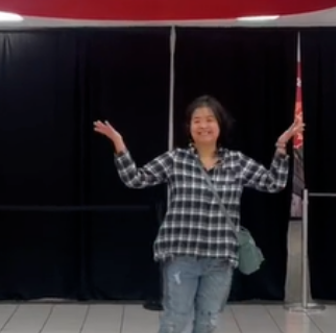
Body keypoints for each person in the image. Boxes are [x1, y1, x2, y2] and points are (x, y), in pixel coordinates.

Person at [93, 97, 302, 333]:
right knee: (175, 321)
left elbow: (273, 183)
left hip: (220, 258)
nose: (203, 126)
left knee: (208, 322)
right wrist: (119, 144)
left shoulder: (236, 162)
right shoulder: (176, 159)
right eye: (197, 121)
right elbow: (136, 179)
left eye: (209, 120)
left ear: (220, 125)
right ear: (189, 127)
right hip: (181, 255)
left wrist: (281, 147)